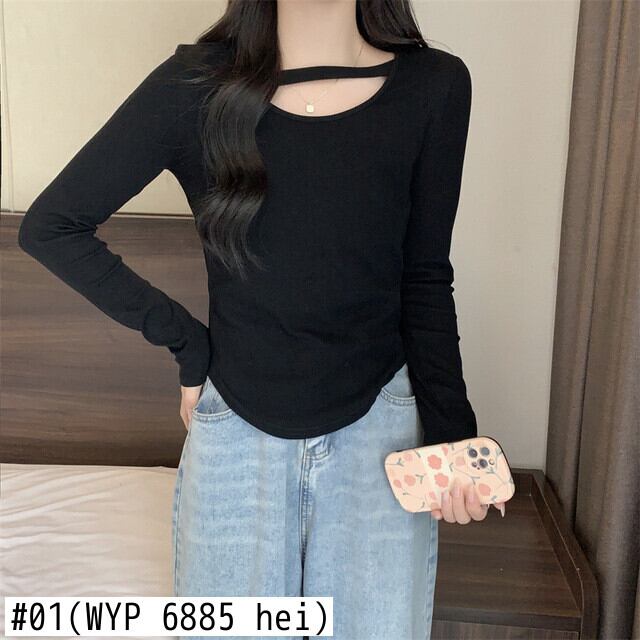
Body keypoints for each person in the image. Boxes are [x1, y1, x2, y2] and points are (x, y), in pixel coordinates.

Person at [18, 1, 506, 638]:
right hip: (236, 438)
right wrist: (189, 347)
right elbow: (53, 227)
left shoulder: (434, 85)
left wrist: (452, 433)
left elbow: (425, 274)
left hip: (379, 432)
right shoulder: (194, 87)